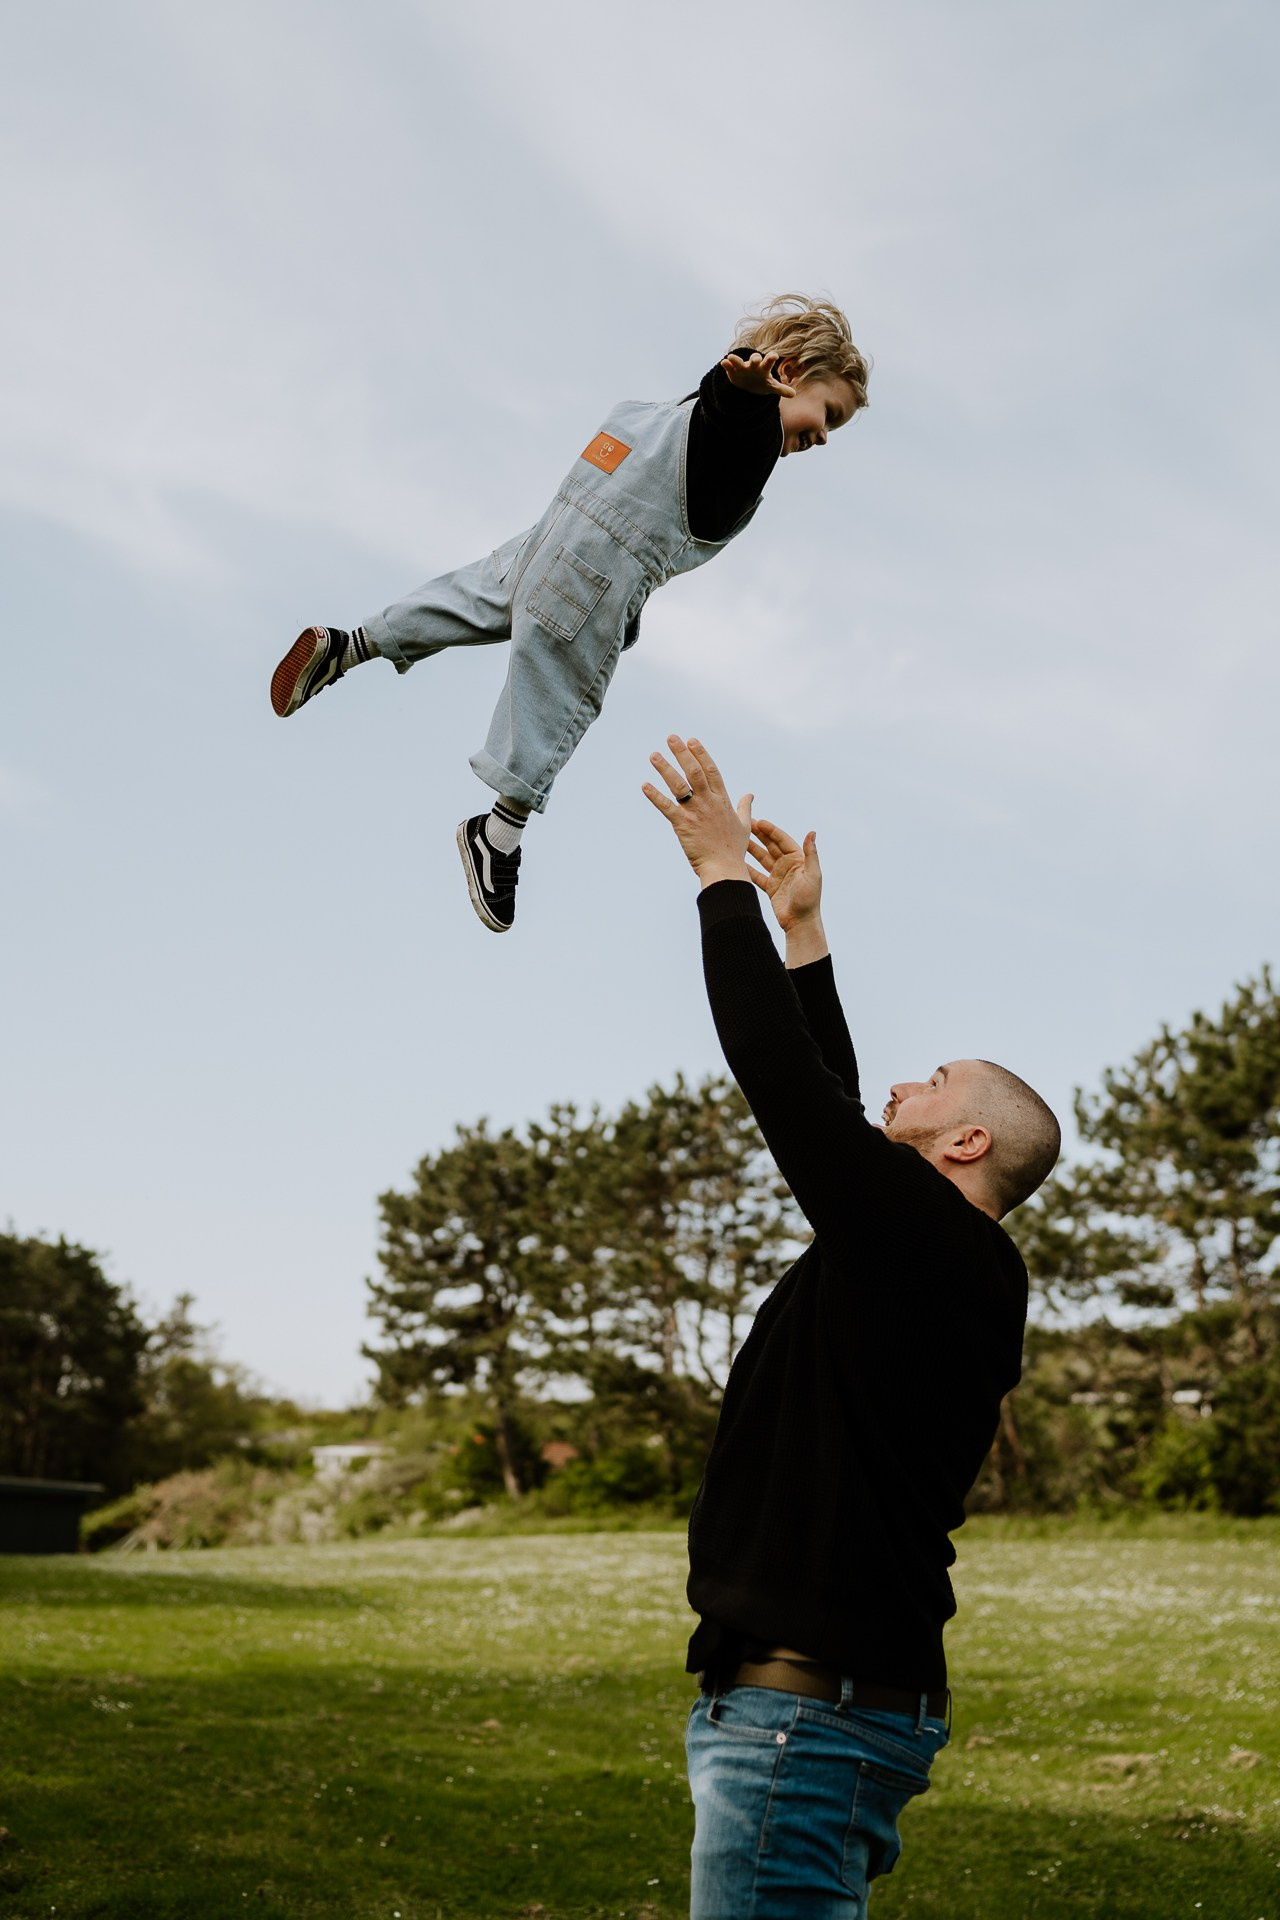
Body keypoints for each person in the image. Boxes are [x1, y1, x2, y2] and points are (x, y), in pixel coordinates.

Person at [641, 736, 1061, 1920]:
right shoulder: (926, 1259)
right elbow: (828, 1105)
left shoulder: (928, 1248)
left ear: (966, 1143)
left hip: (800, 1723)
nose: (896, 1088)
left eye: (929, 1081)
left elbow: (789, 1088)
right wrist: (800, 931)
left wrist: (718, 873)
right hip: (822, 1714)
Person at [270, 296, 869, 932]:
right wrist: (744, 383)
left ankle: (352, 643)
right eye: (828, 412)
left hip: (552, 537)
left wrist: (735, 381)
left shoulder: (674, 415)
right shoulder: (747, 433)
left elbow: (717, 411)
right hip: (597, 571)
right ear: (790, 371)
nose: (825, 435)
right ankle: (498, 835)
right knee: (560, 689)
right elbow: (734, 422)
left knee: (470, 596)